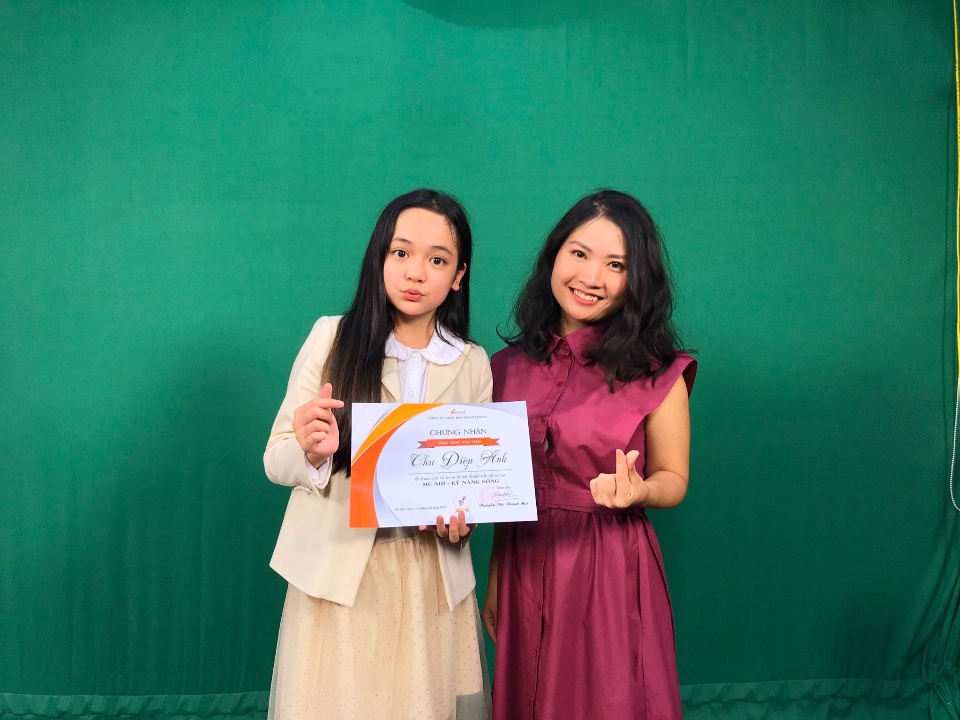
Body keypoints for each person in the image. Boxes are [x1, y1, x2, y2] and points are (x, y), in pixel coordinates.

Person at [264, 189, 492, 720]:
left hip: (432, 579)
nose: (416, 272)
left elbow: (473, 489)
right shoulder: (332, 337)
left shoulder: (474, 362)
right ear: (380, 257)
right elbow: (275, 459)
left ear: (459, 276)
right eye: (401, 252)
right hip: (339, 575)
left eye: (438, 260)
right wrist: (310, 450)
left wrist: (463, 522)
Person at [482, 190, 696, 720]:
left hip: (607, 566)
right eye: (579, 253)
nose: (592, 277)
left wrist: (641, 490)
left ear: (637, 279)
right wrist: (495, 579)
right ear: (553, 256)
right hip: (522, 559)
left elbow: (673, 478)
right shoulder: (501, 368)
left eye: (616, 264)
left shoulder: (658, 372)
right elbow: (499, 487)